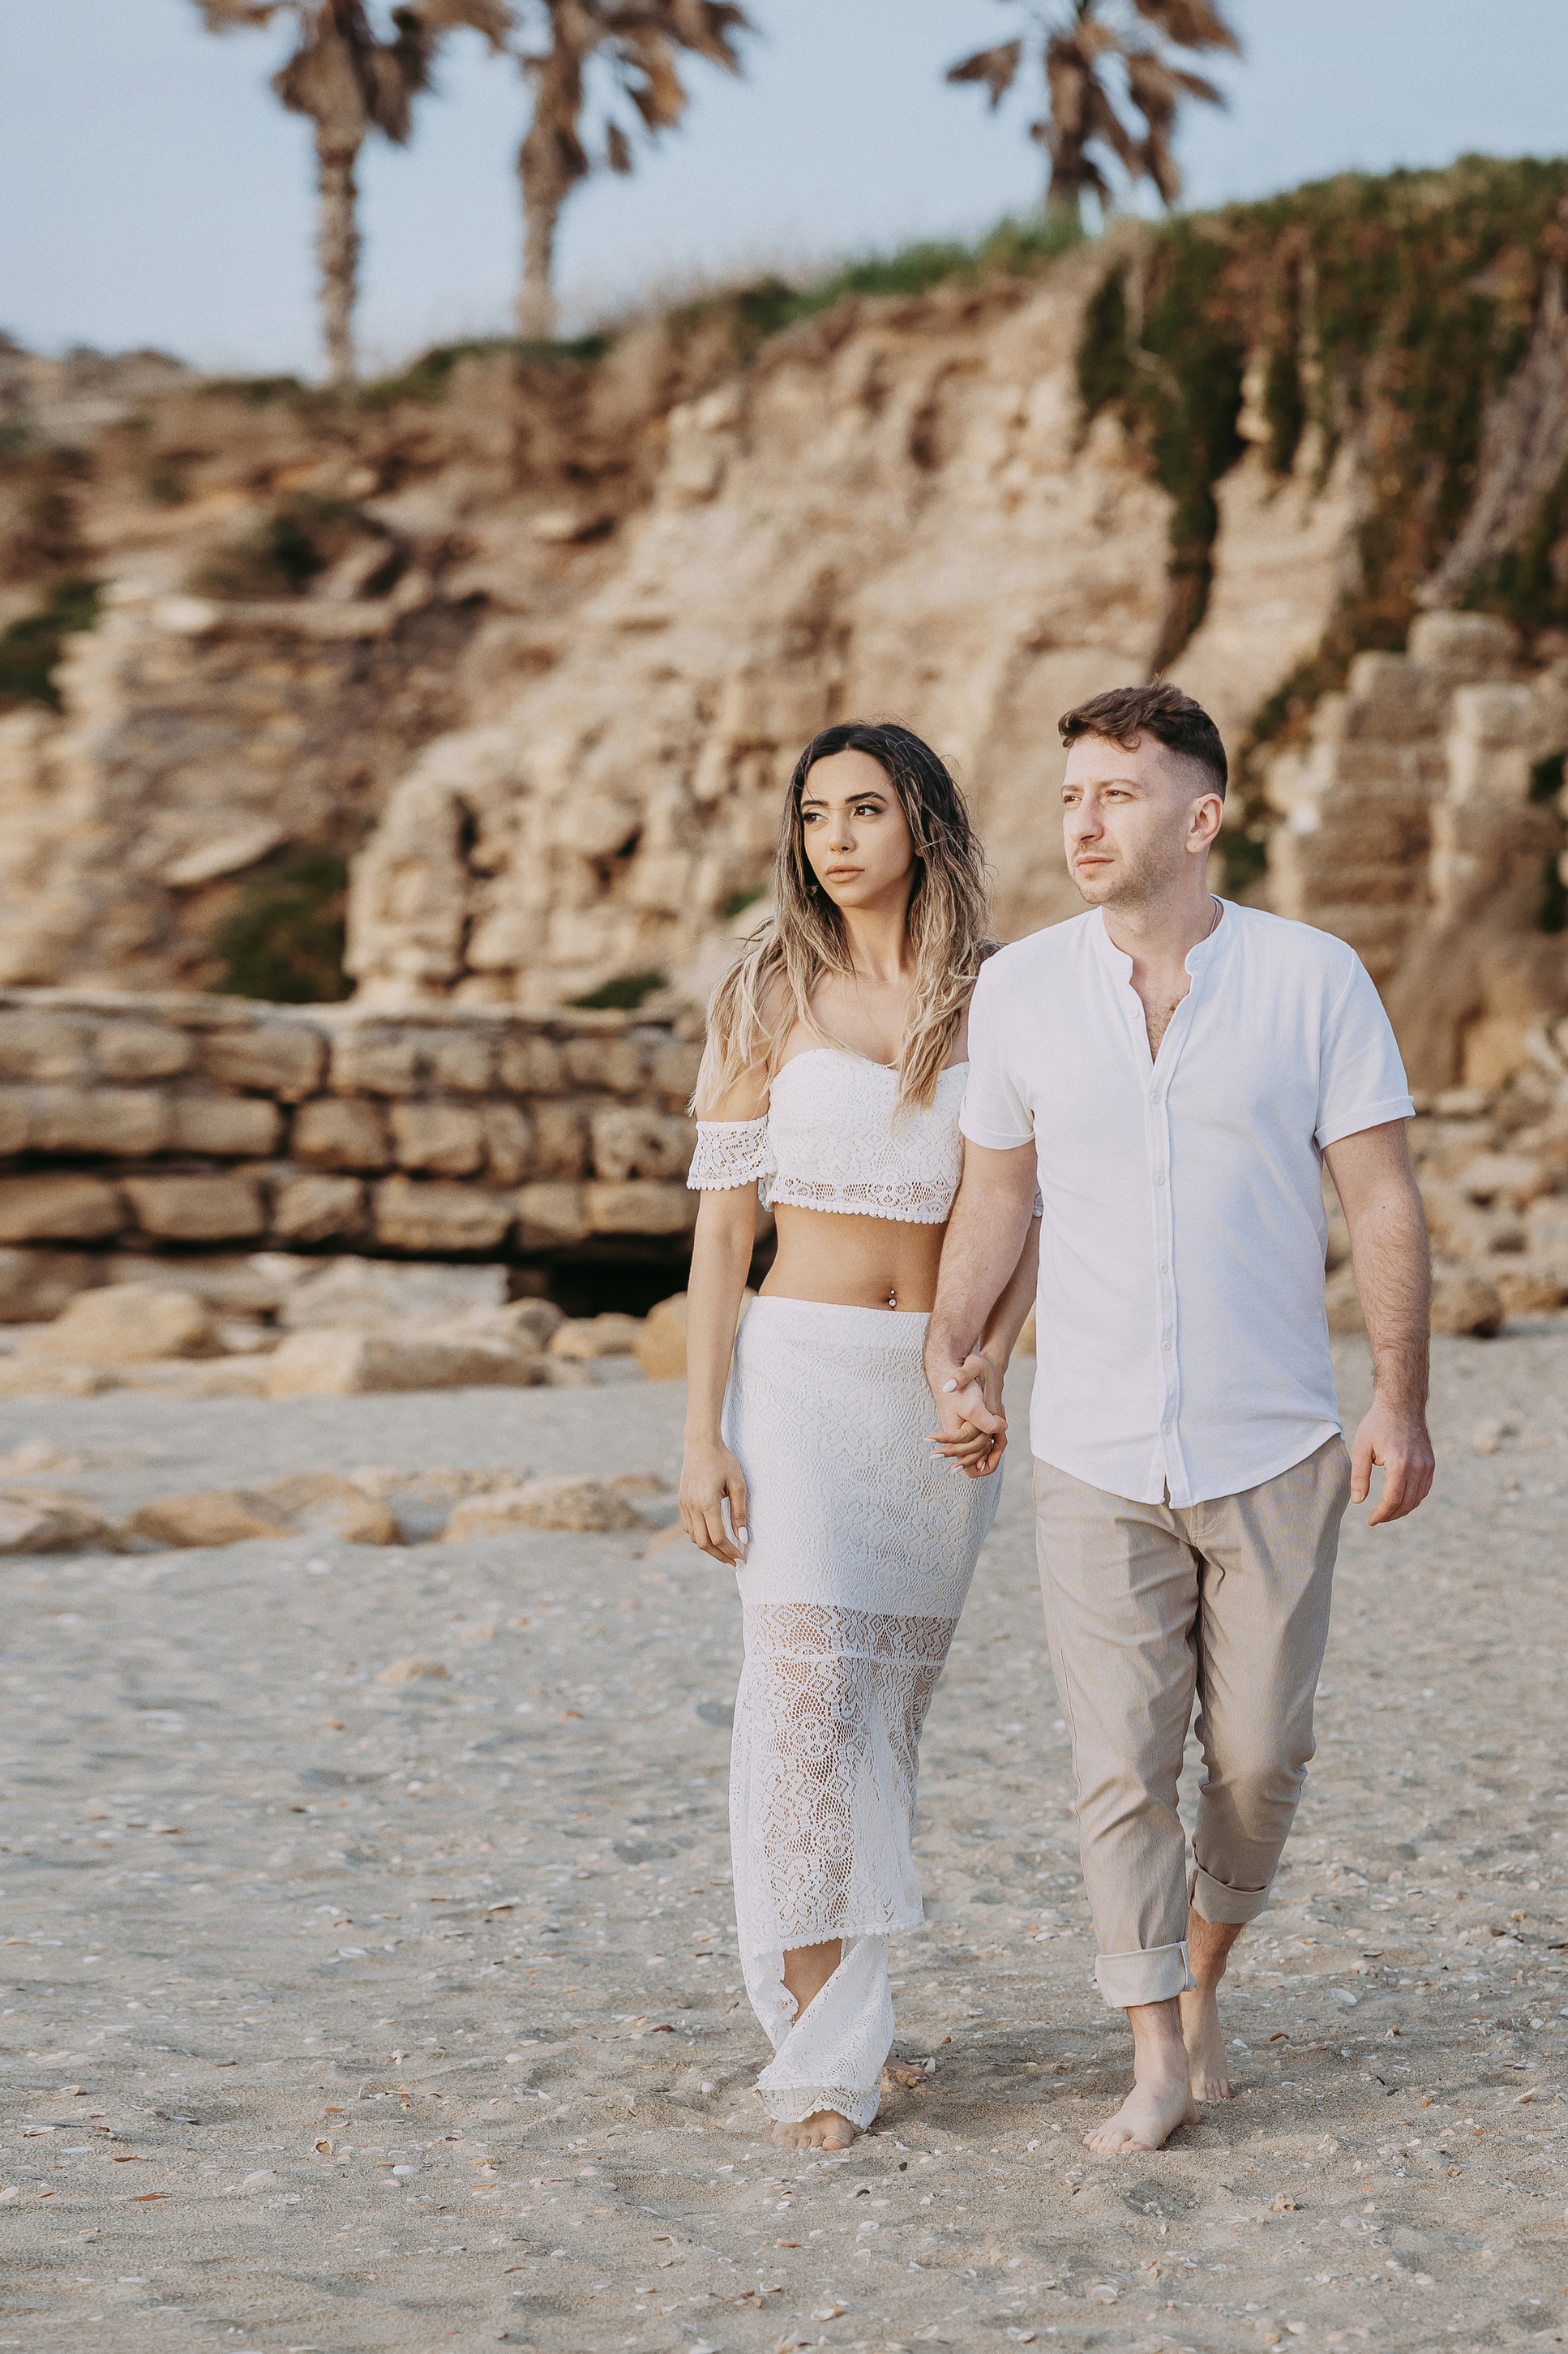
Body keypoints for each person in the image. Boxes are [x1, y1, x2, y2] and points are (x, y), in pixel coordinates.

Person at [925, 680, 1434, 2156]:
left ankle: (1205, 1974)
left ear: (1200, 817)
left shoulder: (1316, 977)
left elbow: (1382, 1198)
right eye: (1072, 795)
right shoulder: (1019, 990)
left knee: (1264, 1757)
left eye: (1118, 794)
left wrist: (1397, 1400)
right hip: (1089, 1445)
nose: (1084, 821)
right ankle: (1152, 2050)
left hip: (1275, 1438)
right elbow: (997, 1196)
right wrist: (954, 1351)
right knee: (1116, 1767)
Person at [679, 721, 1039, 2153]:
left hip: (928, 1401)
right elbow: (721, 1227)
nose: (836, 837)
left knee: (881, 1725)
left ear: (922, 826)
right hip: (801, 1376)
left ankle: (850, 2018)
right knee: (804, 1706)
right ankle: (824, 2057)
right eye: (816, 813)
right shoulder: (764, 988)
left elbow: (1021, 1214)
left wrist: (987, 1373)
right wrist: (700, 1431)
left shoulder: (997, 1002)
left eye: (867, 808)